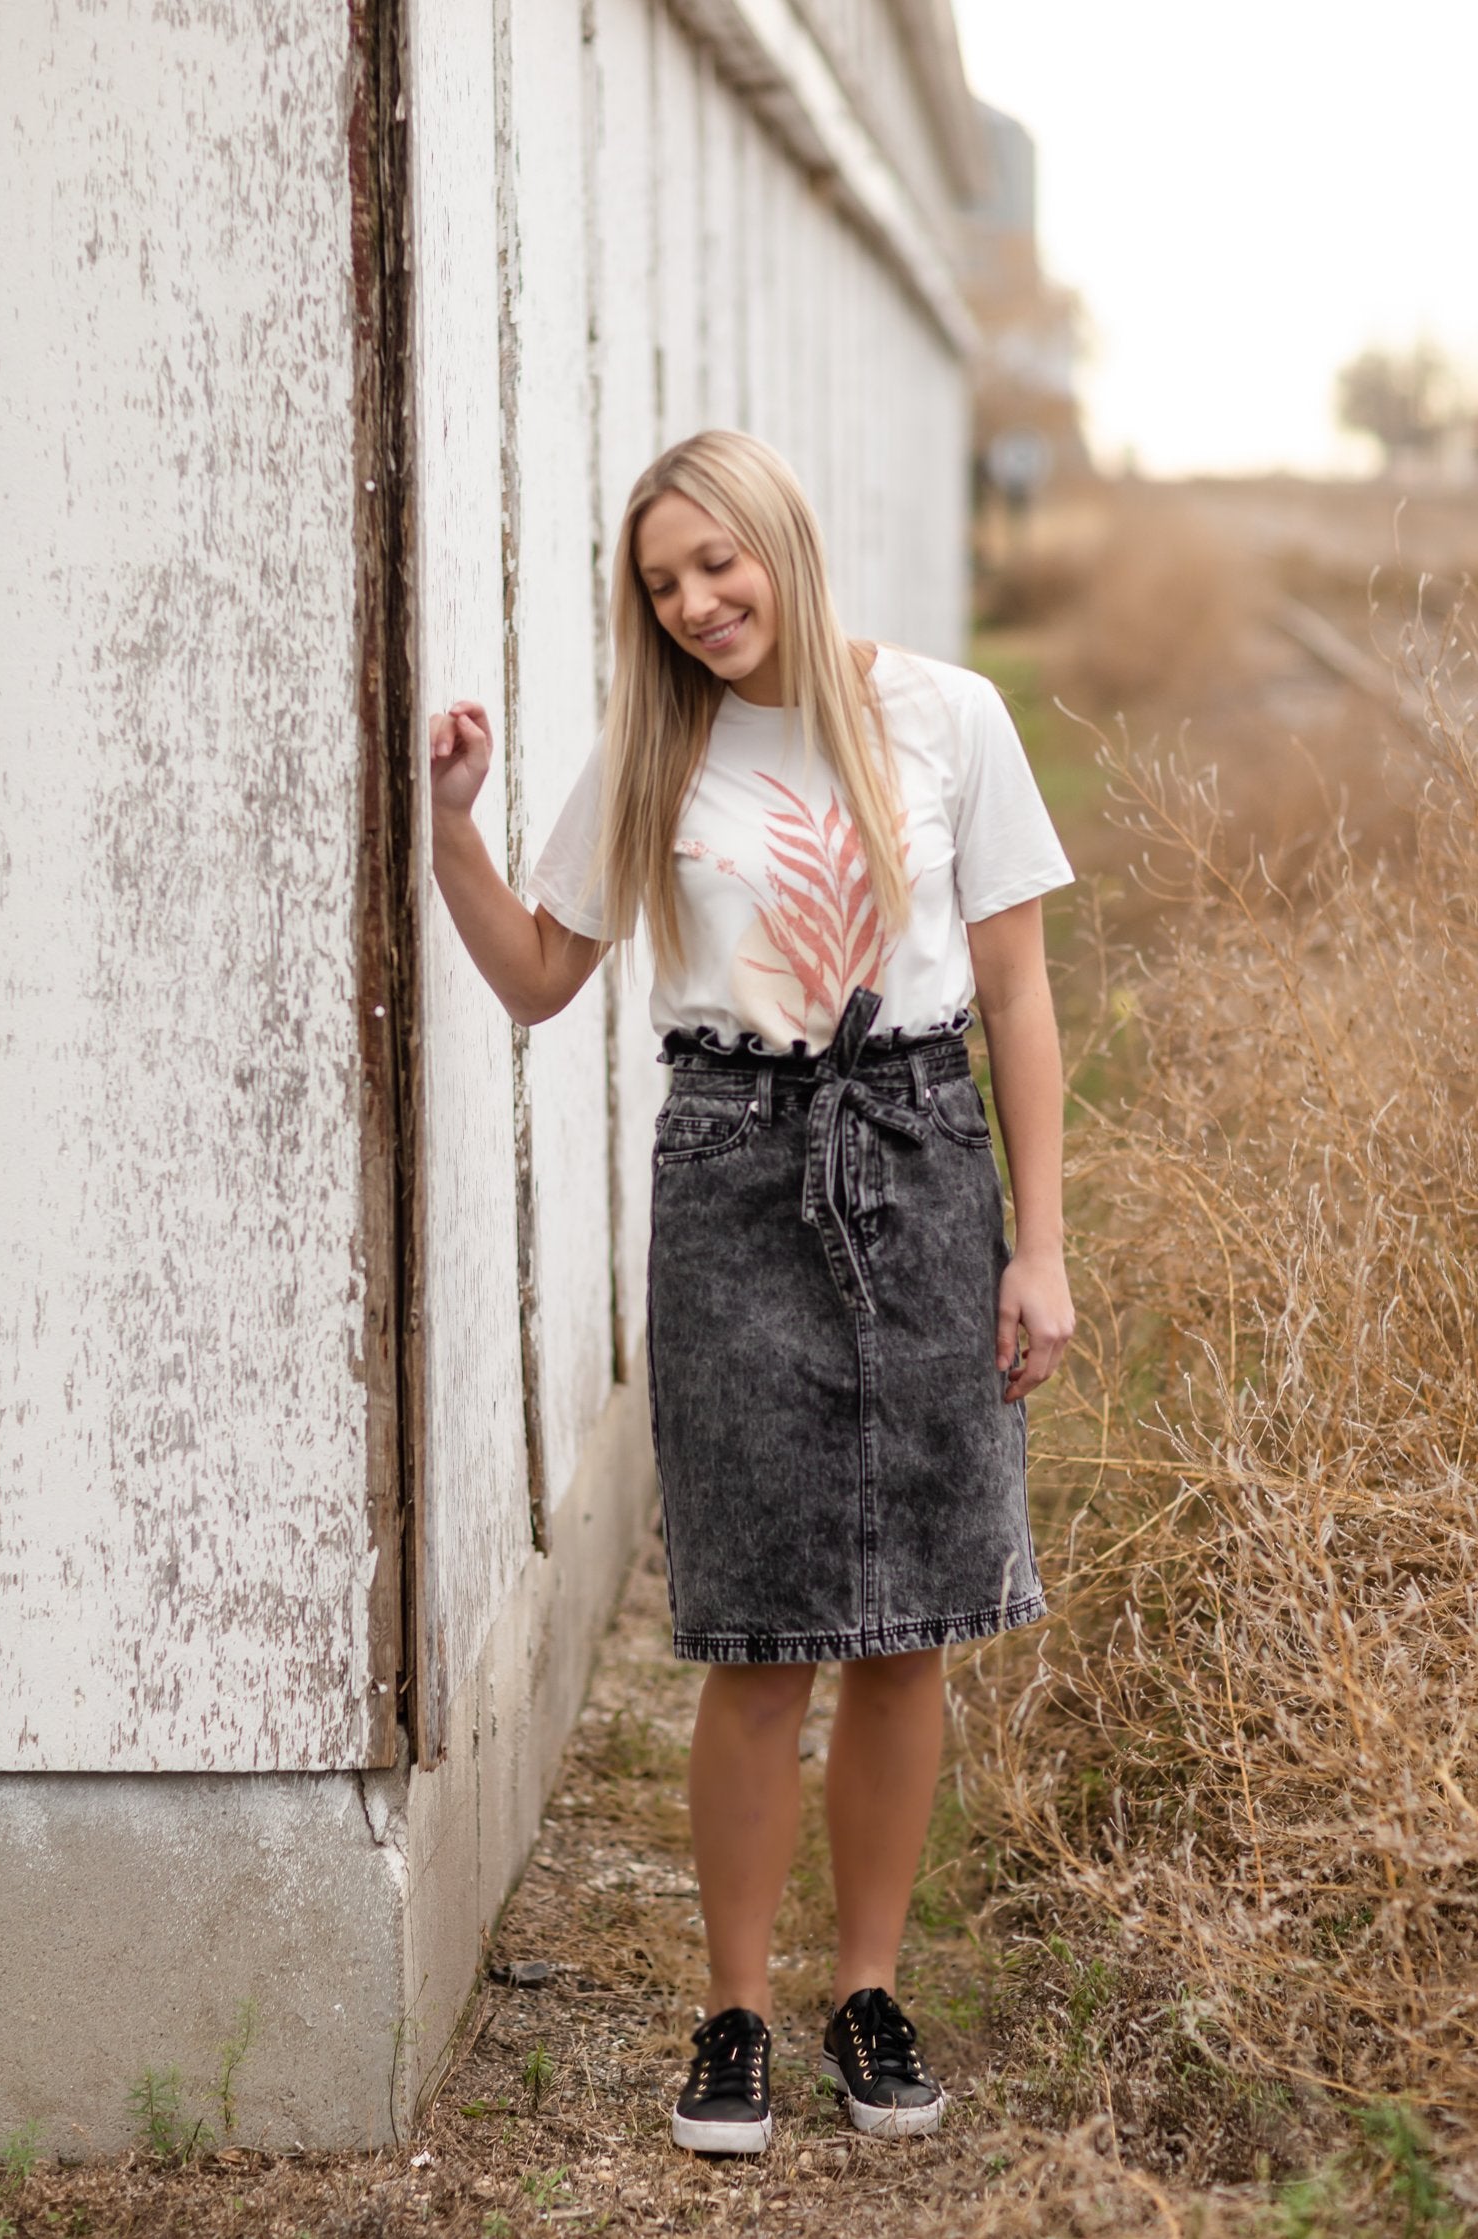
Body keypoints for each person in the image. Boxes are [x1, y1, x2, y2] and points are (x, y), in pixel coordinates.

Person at [428, 428, 1075, 2156]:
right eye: (660, 583)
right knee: (756, 1632)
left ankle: (868, 1992)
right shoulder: (658, 747)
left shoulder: (944, 719)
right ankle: (734, 2015)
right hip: (732, 1170)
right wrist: (451, 831)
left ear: (781, 539)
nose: (697, 603)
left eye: (718, 563)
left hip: (926, 1152)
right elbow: (541, 979)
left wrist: (1041, 1246)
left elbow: (1015, 995)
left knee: (912, 1624)